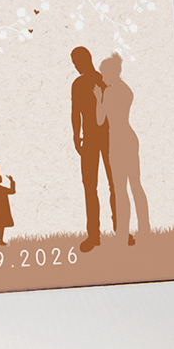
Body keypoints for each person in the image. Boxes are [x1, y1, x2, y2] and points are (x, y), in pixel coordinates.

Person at [95, 52, 150, 245]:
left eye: (103, 73)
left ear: (111, 73)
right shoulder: (126, 90)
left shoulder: (109, 92)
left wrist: (98, 98)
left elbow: (100, 119)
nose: (102, 77)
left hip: (117, 141)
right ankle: (144, 229)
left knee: (120, 189)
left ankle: (122, 234)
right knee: (135, 185)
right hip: (128, 138)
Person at [70, 47, 114, 252]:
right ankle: (94, 235)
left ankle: (119, 230)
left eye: (77, 62)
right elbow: (75, 112)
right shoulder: (78, 83)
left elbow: (113, 108)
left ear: (86, 60)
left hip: (107, 137)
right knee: (91, 187)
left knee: (113, 185)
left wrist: (76, 136)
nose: (76, 67)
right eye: (74, 63)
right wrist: (76, 136)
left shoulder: (103, 79)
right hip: (90, 139)